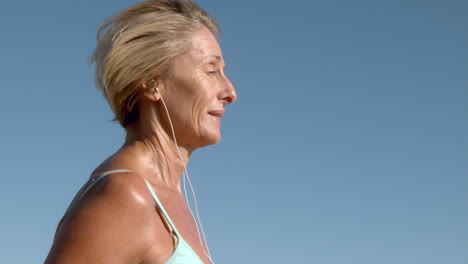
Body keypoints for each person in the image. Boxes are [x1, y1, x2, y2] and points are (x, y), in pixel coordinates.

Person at [44, 0, 237, 263]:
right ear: (152, 83)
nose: (230, 93)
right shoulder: (125, 195)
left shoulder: (169, 197)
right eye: (211, 70)